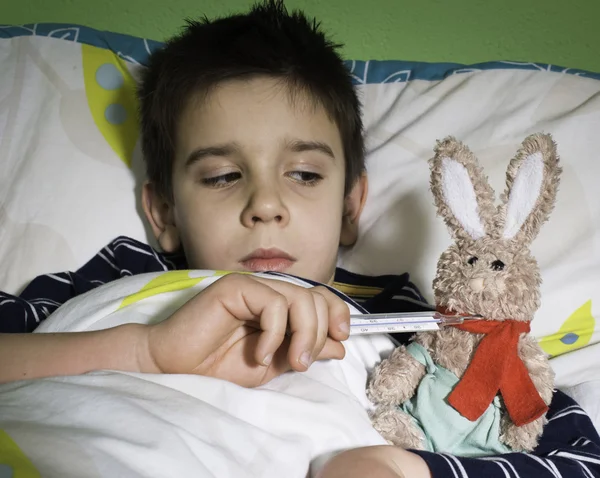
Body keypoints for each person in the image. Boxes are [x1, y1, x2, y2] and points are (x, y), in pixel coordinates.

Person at [0, 1, 599, 477]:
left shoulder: (411, 322)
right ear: (163, 212)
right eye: (222, 176)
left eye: (305, 175)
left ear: (349, 207)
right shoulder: (118, 274)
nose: (264, 205)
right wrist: (142, 351)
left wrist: (404, 468)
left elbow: (571, 457)